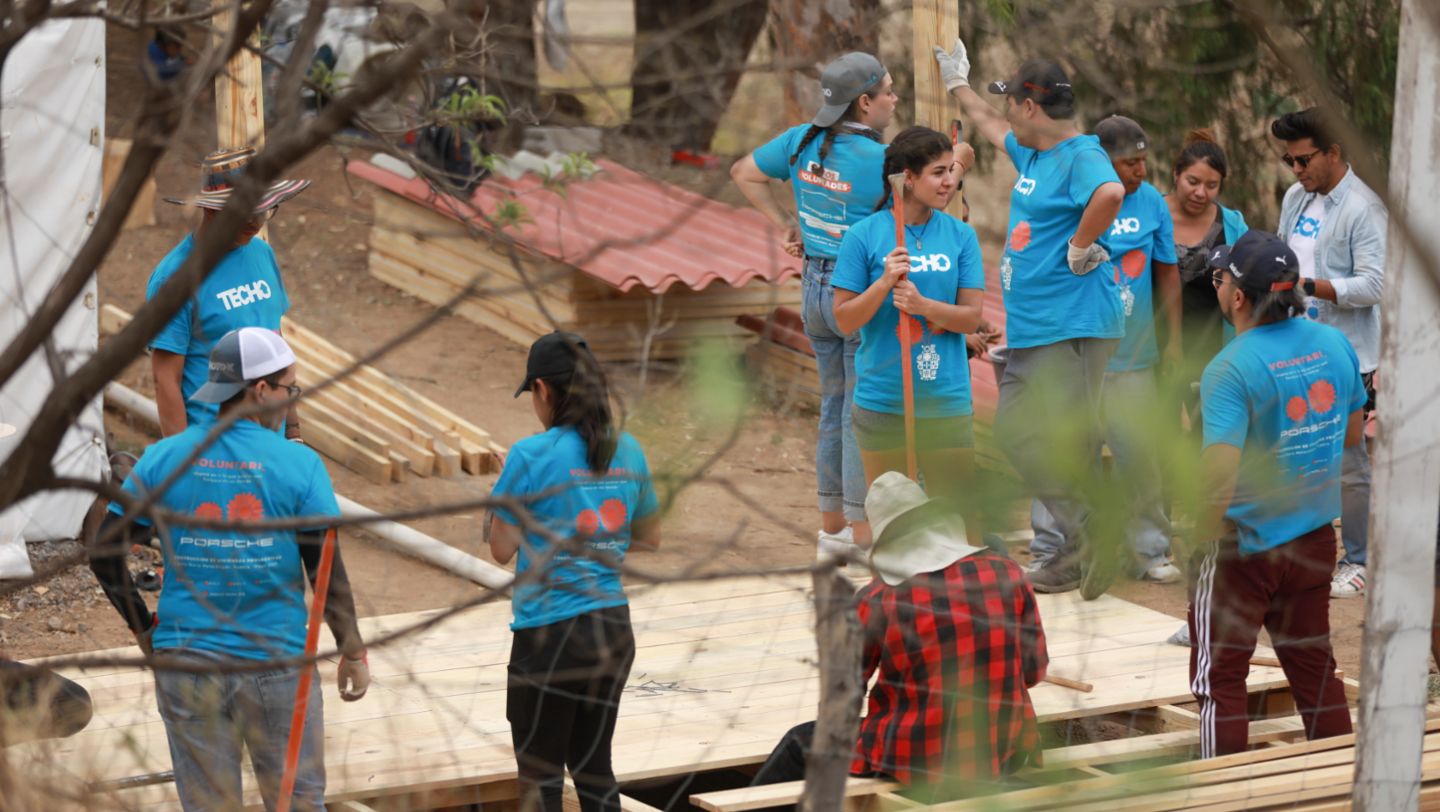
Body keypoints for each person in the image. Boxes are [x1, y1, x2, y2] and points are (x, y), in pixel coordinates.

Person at [89, 327, 369, 811]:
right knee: (298, 801)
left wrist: (144, 628)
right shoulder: (298, 465)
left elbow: (103, 551)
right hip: (275, 666)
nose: (289, 401)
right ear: (260, 390)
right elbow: (326, 572)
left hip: (187, 664)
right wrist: (353, 653)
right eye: (289, 389)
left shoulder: (163, 459)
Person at [932, 40, 1126, 598]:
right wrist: (957, 86)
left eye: (1012, 100)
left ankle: (1090, 535)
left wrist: (1080, 245)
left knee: (1040, 436)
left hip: (1072, 324)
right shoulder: (1035, 153)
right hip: (1037, 325)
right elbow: (991, 126)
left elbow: (1110, 192)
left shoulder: (1081, 155)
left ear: (1032, 108)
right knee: (1030, 436)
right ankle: (1080, 543)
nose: (1008, 110)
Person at [751, 472, 1046, 800]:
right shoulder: (1007, 573)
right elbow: (1033, 672)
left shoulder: (878, 600)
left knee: (799, 743)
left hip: (915, 757)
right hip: (1000, 750)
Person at [1187, 230, 1362, 757]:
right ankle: (1339, 789)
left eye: (1221, 278)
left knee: (1220, 682)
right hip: (1312, 539)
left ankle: (1225, 793)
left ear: (1238, 297)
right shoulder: (1333, 342)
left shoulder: (1230, 368)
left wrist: (1197, 539)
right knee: (1314, 672)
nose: (1218, 287)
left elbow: (1218, 476)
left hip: (1244, 545)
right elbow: (1353, 437)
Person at [732, 52, 902, 558]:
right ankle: (859, 530)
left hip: (813, 289)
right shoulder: (883, 162)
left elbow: (743, 171)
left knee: (832, 408)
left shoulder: (800, 141)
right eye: (889, 91)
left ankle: (831, 530)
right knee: (857, 412)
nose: (895, 100)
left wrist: (788, 223)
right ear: (865, 101)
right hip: (856, 294)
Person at [487, 331, 661, 812]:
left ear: (543, 389)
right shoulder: (629, 451)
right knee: (593, 769)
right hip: (611, 628)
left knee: (540, 779)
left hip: (548, 636)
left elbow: (501, 549)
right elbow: (649, 538)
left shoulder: (529, 455)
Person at [1029, 116, 1182, 584]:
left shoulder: (1153, 202)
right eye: (1128, 163)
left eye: (1142, 161)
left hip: (1133, 357)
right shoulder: (1072, 200)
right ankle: (1054, 550)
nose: (1138, 171)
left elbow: (1167, 273)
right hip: (1074, 355)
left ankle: (1149, 549)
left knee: (1138, 452)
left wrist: (1173, 340)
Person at [832, 126, 986, 534]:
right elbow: (844, 319)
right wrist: (882, 283)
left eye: (951, 170)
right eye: (938, 172)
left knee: (958, 520)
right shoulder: (863, 237)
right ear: (906, 177)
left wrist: (924, 307)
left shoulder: (960, 236)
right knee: (895, 525)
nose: (949, 181)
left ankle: (958, 597)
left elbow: (970, 317)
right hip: (883, 398)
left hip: (946, 400)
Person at [1272, 108, 1387, 599]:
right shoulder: (1296, 198)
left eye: (1303, 160)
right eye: (1288, 161)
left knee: (1349, 462)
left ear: (1334, 152)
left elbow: (1374, 284)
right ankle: (1301, 554)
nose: (1296, 171)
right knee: (1294, 453)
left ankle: (1357, 558)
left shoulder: (1364, 206)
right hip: (1296, 348)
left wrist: (1309, 285)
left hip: (1347, 355)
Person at [150, 147, 309, 438]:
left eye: (263, 210)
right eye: (244, 213)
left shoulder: (261, 253)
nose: (255, 222)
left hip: (270, 442)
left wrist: (293, 430)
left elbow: (277, 347)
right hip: (213, 449)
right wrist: (183, 462)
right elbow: (165, 380)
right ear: (211, 210)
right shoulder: (175, 277)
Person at [1164, 130, 1249, 422]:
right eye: (1193, 182)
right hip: (1154, 346)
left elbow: (1248, 287)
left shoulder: (1233, 226)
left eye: (1212, 185)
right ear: (1176, 174)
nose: (1201, 192)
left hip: (1214, 350)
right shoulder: (1152, 216)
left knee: (1208, 432)